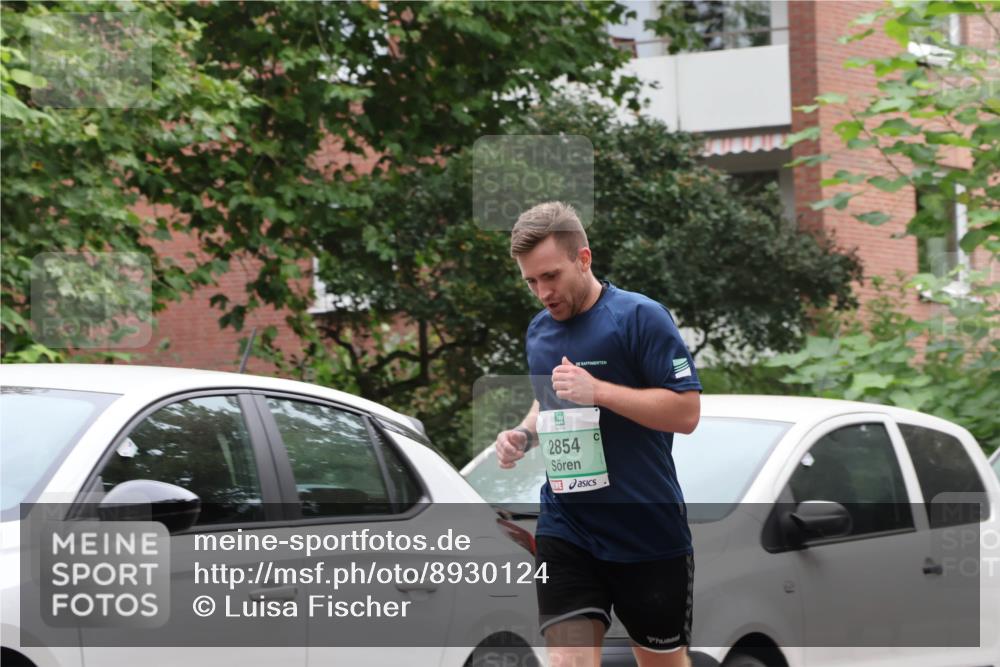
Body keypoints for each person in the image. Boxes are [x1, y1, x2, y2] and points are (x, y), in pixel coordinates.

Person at [494, 202, 701, 667]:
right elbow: (548, 400)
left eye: (551, 276)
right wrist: (524, 436)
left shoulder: (639, 318)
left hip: (645, 529)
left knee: (661, 663)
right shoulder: (539, 332)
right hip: (567, 524)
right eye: (531, 281)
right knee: (568, 660)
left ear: (583, 259)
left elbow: (687, 412)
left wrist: (600, 392)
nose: (543, 292)